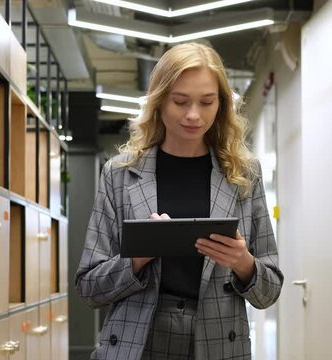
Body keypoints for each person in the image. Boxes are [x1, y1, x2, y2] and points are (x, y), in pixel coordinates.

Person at [75, 42, 283, 360]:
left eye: (207, 102)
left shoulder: (244, 174)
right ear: (158, 102)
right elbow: (89, 287)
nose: (193, 115)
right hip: (138, 343)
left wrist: (244, 263)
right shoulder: (119, 174)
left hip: (219, 343)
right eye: (180, 101)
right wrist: (137, 258)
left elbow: (269, 292)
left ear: (222, 104)